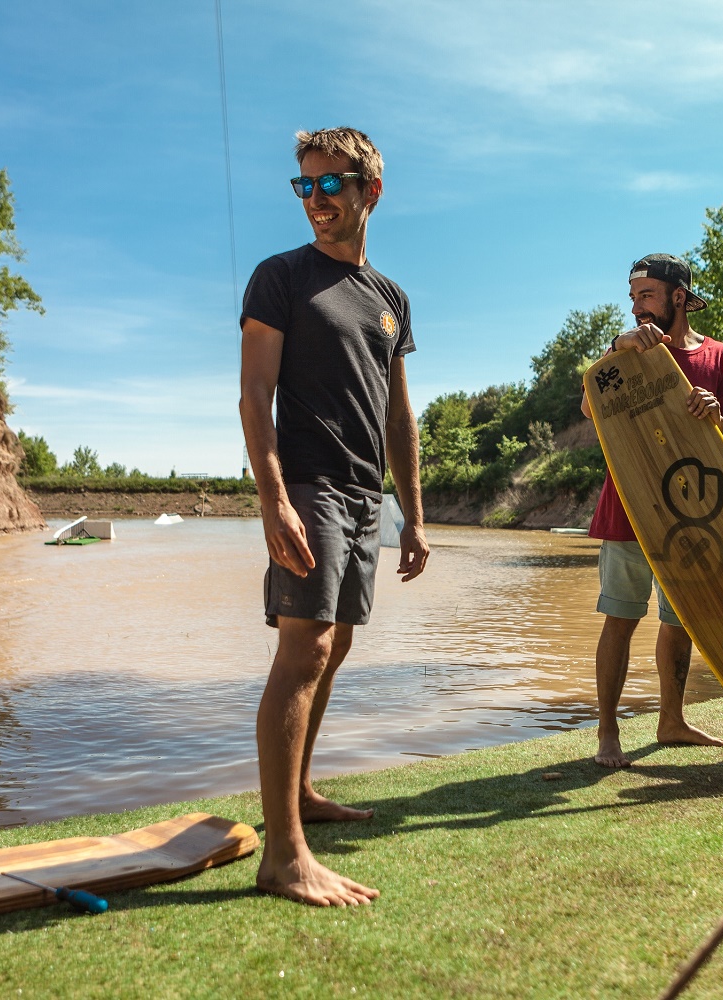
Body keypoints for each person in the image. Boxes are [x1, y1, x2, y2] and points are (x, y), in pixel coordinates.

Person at [238, 127, 429, 907]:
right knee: (304, 648)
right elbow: (255, 394)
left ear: (369, 191)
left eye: (330, 186)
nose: (316, 201)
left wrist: (412, 515)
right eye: (304, 187)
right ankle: (283, 855)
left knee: (338, 643)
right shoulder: (279, 277)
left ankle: (304, 793)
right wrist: (273, 496)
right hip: (309, 484)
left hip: (362, 496)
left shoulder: (391, 301)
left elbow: (399, 417)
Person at [579, 254, 723, 768]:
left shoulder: (720, 358)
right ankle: (607, 733)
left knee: (679, 622)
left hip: (693, 515)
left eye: (647, 296)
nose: (636, 307)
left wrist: (719, 418)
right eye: (633, 297)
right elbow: (591, 406)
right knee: (619, 618)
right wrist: (616, 348)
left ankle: (671, 720)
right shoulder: (626, 353)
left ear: (678, 298)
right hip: (628, 507)